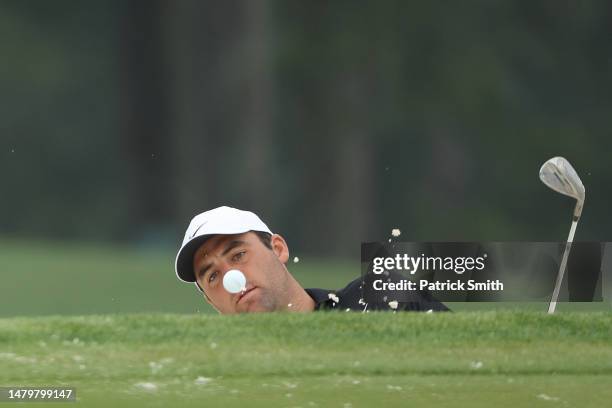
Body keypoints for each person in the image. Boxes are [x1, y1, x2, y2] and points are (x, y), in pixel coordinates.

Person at [175, 206, 449, 314]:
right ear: (211, 302)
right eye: (212, 276)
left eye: (238, 255)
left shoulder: (378, 298)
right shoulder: (224, 384)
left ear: (278, 249)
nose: (230, 279)